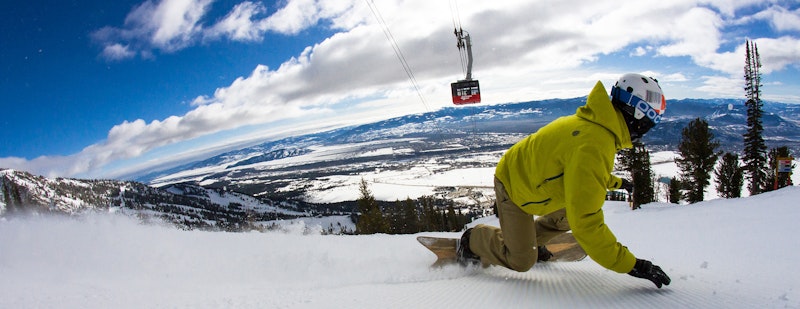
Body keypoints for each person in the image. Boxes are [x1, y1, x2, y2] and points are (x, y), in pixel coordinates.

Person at [457, 73, 671, 288]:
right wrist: (632, 265)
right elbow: (586, 223)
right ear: (639, 113)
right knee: (521, 260)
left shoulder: (597, 127)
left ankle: (531, 242)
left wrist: (617, 183)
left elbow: (583, 174)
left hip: (534, 183)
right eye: (654, 117)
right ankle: (473, 238)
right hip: (514, 184)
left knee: (567, 217)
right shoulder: (595, 142)